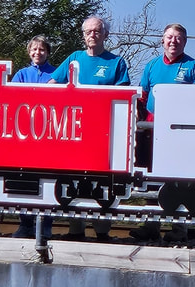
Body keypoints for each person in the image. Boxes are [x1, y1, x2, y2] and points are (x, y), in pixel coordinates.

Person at [49, 15, 131, 242]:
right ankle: (76, 230)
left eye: (97, 31)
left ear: (105, 35)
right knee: (74, 181)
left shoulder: (117, 63)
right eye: (88, 32)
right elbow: (52, 86)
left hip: (103, 136)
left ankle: (102, 232)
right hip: (74, 134)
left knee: (101, 185)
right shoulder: (74, 59)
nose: (92, 35)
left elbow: (123, 97)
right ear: (83, 36)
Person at [129, 23, 195, 242]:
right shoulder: (152, 65)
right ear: (162, 40)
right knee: (152, 180)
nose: (173, 41)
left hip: (180, 134)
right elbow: (142, 98)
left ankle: (179, 228)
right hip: (152, 133)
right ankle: (151, 226)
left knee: (178, 181)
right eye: (169, 37)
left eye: (178, 38)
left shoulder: (194, 67)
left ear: (185, 41)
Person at [10, 35, 57, 240]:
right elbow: (11, 99)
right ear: (29, 52)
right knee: (24, 181)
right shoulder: (21, 74)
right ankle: (25, 224)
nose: (37, 53)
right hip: (25, 137)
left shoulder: (56, 73)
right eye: (34, 50)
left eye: (41, 49)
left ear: (47, 51)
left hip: (50, 136)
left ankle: (46, 226)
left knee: (49, 182)